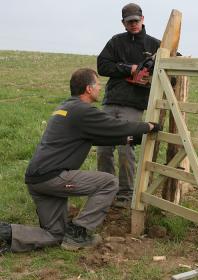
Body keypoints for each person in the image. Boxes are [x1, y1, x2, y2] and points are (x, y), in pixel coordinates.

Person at [0, 68, 161, 254]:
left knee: (55, 234)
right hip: (54, 178)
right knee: (109, 182)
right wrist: (147, 126)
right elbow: (116, 126)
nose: (100, 88)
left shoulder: (66, 107)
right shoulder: (83, 111)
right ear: (88, 89)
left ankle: (6, 233)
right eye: (98, 84)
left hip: (37, 180)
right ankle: (79, 230)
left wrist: (128, 139)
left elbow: (95, 137)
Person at [97, 3, 160, 203]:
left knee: (125, 148)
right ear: (123, 23)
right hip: (111, 100)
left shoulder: (156, 45)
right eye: (128, 21)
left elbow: (176, 63)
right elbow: (102, 65)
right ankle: (106, 190)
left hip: (134, 104)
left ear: (143, 19)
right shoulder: (115, 42)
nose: (133, 24)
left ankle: (125, 193)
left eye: (136, 20)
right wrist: (128, 68)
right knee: (103, 149)